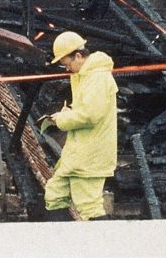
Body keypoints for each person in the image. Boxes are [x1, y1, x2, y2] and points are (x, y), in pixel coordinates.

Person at [40, 31, 117, 221]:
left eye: (67, 64)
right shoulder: (86, 76)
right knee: (54, 194)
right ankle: (63, 244)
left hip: (90, 155)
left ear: (79, 56)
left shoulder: (98, 77)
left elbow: (90, 115)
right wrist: (67, 112)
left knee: (89, 206)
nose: (67, 69)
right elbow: (85, 107)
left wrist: (61, 120)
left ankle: (104, 248)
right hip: (79, 154)